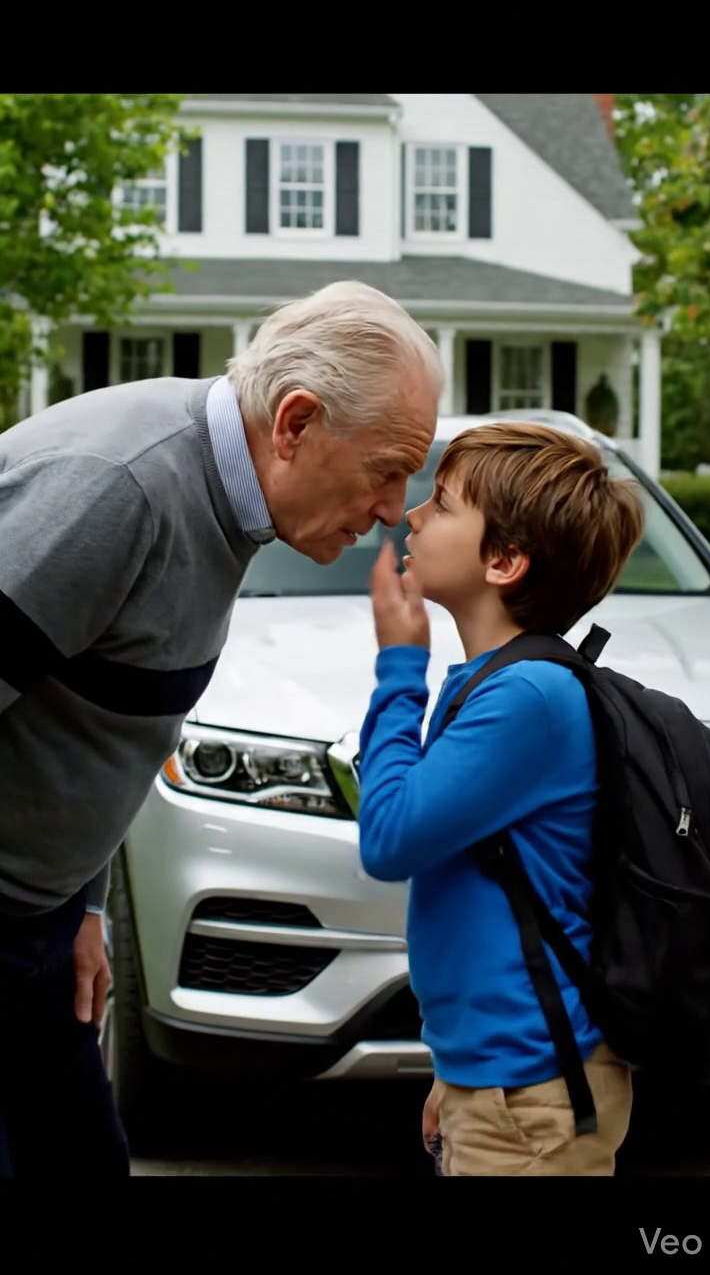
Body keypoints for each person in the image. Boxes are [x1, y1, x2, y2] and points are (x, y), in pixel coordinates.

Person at [0, 280, 442, 1178]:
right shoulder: (116, 491)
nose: (396, 508)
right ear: (295, 424)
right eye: (387, 468)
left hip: (38, 929)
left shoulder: (230, 503)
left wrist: (80, 908)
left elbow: (93, 719)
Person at [358, 421, 645, 1176]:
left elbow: (389, 836)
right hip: (508, 1081)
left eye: (444, 504)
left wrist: (398, 664)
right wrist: (460, 1075)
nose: (414, 515)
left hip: (531, 1095)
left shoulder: (527, 696)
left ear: (505, 560)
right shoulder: (504, 684)